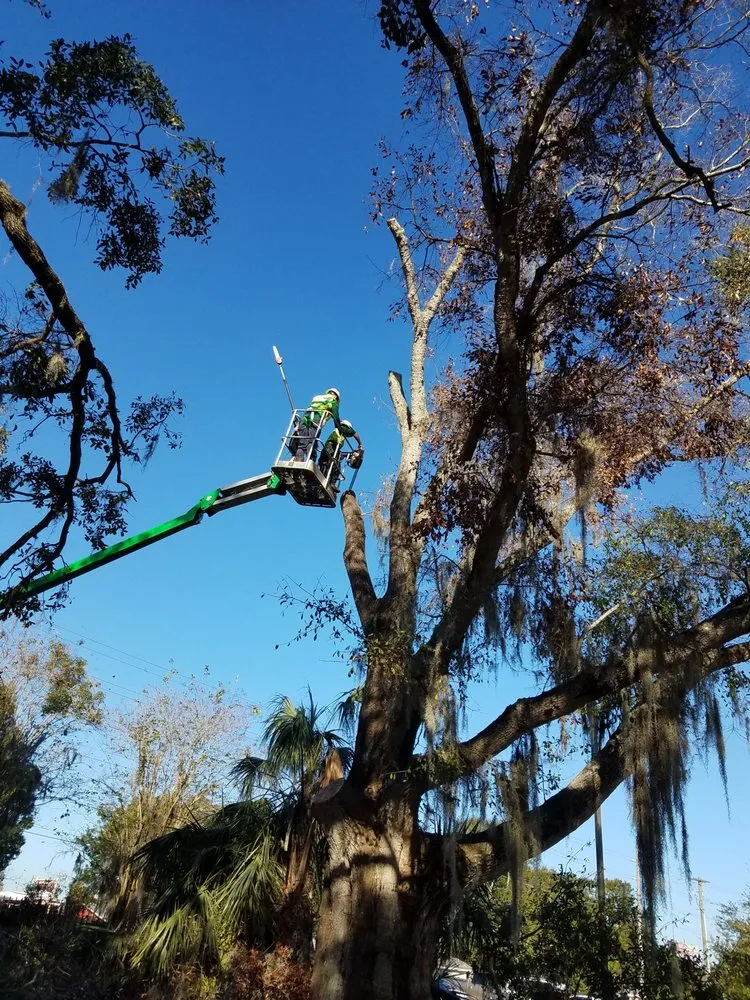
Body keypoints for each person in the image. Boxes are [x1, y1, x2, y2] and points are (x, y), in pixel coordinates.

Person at [292, 387, 342, 462]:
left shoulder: (318, 397)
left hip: (304, 420)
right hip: (316, 420)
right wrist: (339, 428)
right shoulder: (332, 401)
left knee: (302, 445)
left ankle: (298, 461)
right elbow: (336, 416)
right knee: (311, 443)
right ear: (336, 396)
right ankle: (310, 462)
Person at [319, 419, 363, 483]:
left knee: (325, 464)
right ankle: (331, 483)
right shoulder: (342, 428)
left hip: (327, 449)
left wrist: (350, 454)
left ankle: (326, 480)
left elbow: (339, 453)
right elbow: (355, 434)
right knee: (336, 467)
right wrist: (360, 444)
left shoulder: (339, 435)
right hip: (330, 447)